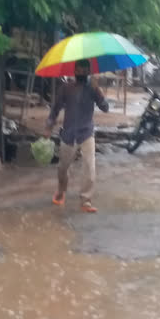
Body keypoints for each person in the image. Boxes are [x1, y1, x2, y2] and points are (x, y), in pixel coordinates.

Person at [45, 59, 109, 213]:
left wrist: (98, 89)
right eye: (78, 69)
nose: (81, 72)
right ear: (74, 71)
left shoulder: (93, 88)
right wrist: (49, 125)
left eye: (84, 70)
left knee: (89, 167)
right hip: (68, 134)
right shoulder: (66, 88)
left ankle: (86, 200)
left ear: (88, 72)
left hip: (86, 133)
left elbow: (105, 108)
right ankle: (61, 191)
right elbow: (55, 108)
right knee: (62, 168)